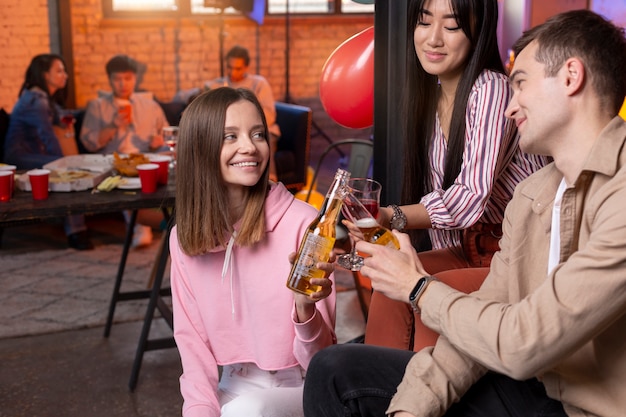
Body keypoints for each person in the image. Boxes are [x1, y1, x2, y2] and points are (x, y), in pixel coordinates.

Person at [303, 9, 626, 417]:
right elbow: (490, 305)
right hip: (538, 385)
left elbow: (524, 340)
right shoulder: (533, 195)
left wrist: (418, 286)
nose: (512, 107)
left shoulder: (620, 194)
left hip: (577, 403)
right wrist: (411, 407)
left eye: (521, 84)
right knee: (334, 369)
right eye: (423, 21)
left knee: (427, 300)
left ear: (570, 77)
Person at [364, 0, 549, 352]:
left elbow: (469, 198)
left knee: (430, 297)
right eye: (423, 21)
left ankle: (420, 402)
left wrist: (391, 216)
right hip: (468, 248)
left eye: (451, 26)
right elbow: (443, 216)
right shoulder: (431, 96)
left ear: (477, 33)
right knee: (389, 285)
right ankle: (379, 396)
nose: (433, 39)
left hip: (515, 255)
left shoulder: (491, 88)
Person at [170, 87, 336, 417]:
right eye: (229, 136)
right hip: (232, 387)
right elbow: (193, 348)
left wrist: (305, 310)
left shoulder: (304, 225)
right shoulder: (184, 238)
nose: (250, 146)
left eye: (257, 133)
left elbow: (323, 363)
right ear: (199, 147)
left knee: (249, 411)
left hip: (300, 388)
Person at [3, 53, 93, 250]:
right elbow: (48, 137)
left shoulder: (40, 98)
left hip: (31, 153)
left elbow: (59, 116)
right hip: (20, 156)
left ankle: (77, 229)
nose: (65, 75)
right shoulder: (37, 100)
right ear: (45, 75)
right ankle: (76, 232)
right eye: (59, 71)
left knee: (70, 168)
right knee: (68, 173)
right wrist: (62, 164)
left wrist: (64, 119)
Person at [80, 54, 170, 247]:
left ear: (135, 79)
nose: (123, 84)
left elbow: (166, 134)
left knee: (164, 160)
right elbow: (89, 143)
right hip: (113, 159)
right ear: (110, 80)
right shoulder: (98, 107)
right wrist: (113, 125)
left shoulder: (150, 106)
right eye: (117, 79)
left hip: (145, 156)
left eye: (127, 79)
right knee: (123, 176)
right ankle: (142, 225)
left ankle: (167, 222)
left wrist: (158, 140)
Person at [205, 45, 282, 183]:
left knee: (262, 138)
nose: (233, 72)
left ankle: (270, 183)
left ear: (246, 67)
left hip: (263, 130)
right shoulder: (218, 85)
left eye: (238, 68)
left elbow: (269, 116)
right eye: (230, 67)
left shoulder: (259, 84)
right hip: (228, 132)